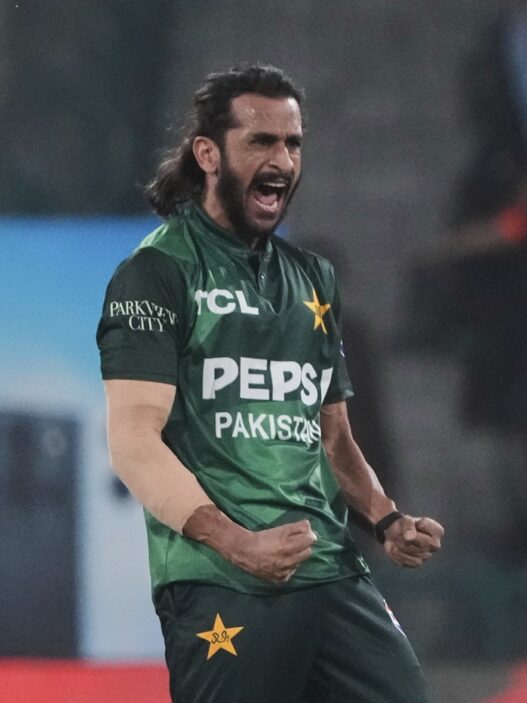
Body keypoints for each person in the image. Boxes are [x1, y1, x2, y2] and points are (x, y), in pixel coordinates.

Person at [96, 64, 444, 703]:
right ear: (208, 154)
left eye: (293, 143)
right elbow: (134, 442)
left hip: (330, 572)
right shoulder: (156, 272)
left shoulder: (313, 277)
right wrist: (237, 544)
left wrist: (386, 518)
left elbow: (332, 437)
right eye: (262, 141)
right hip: (222, 581)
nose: (282, 160)